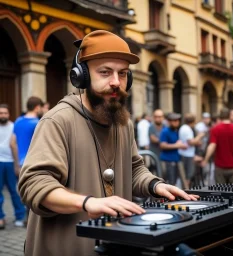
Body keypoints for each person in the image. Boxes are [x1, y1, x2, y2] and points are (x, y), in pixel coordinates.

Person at [18, 30, 197, 256]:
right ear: (80, 76)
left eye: (122, 74)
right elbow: (34, 184)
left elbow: (134, 169)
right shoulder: (58, 120)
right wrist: (87, 203)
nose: (116, 82)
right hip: (66, 247)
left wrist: (155, 186)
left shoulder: (123, 122)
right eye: (105, 72)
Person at [201, 108, 233, 184]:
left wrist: (206, 160)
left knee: (221, 192)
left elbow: (212, 146)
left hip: (220, 167)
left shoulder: (215, 129)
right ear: (229, 116)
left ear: (220, 116)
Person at [0, 104, 26, 229]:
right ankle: (1, 218)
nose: (3, 115)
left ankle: (20, 216)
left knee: (14, 191)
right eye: (1, 113)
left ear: (9, 114)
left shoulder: (13, 127)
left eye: (5, 113)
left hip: (10, 162)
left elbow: (15, 144)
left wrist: (17, 164)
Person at [159, 113, 188, 189]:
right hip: (168, 160)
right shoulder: (165, 131)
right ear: (169, 122)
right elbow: (162, 145)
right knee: (170, 182)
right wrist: (177, 145)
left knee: (176, 181)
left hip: (177, 159)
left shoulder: (176, 131)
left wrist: (182, 146)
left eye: (178, 120)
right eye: (174, 120)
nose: (177, 122)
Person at [14, 96, 43, 167]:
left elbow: (12, 143)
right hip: (34, 162)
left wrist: (16, 164)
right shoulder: (38, 123)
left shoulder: (18, 121)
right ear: (37, 108)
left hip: (21, 162)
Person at [178, 113, 205, 187]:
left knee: (188, 176)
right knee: (188, 177)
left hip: (186, 154)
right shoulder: (187, 129)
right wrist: (199, 136)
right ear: (193, 121)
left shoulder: (184, 127)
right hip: (187, 155)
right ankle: (186, 191)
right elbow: (191, 142)